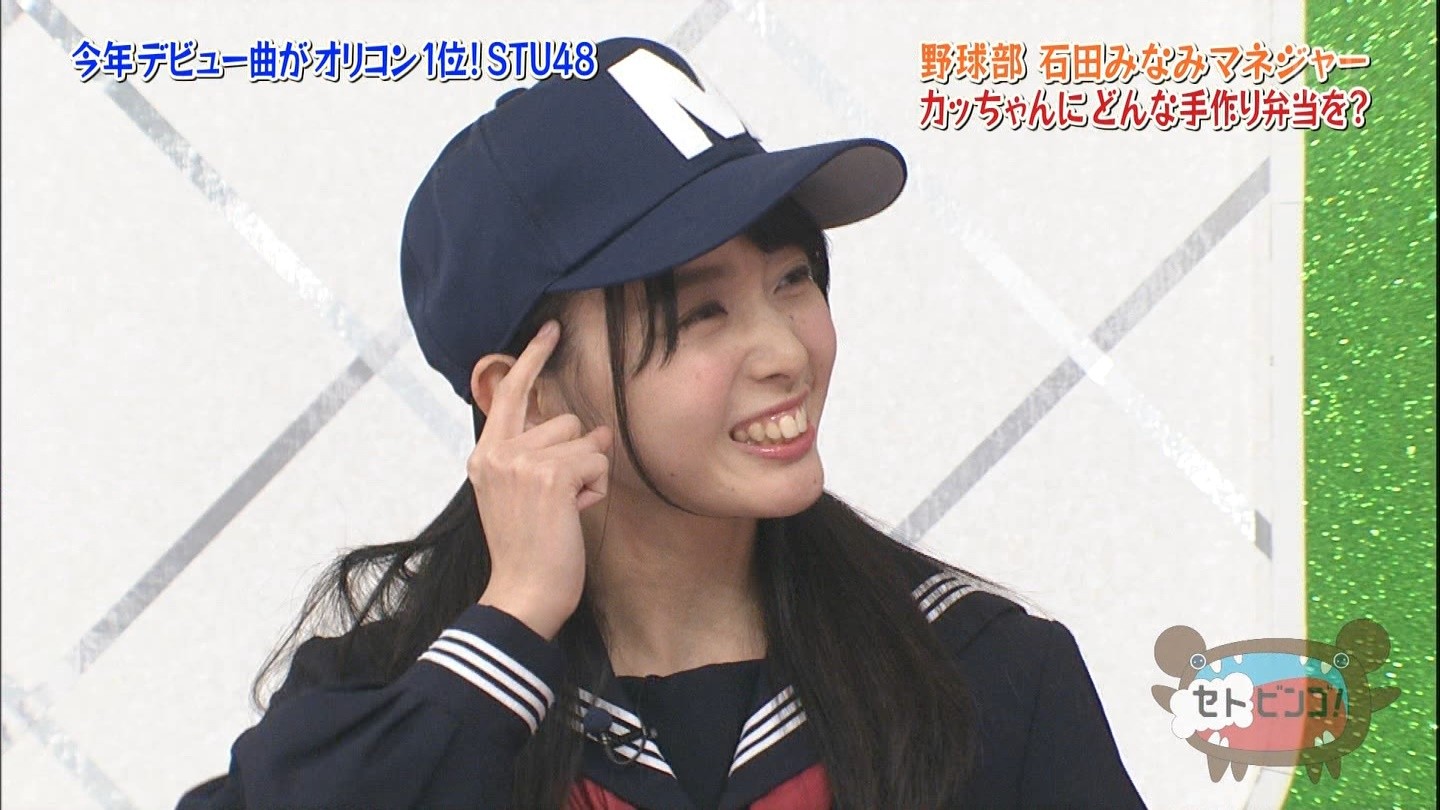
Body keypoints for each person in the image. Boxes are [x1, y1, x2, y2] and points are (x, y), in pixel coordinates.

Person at [178, 37, 1146, 810]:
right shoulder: (384, 707)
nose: (786, 350)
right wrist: (513, 621)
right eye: (701, 314)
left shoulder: (979, 671)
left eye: (792, 278)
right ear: (526, 391)